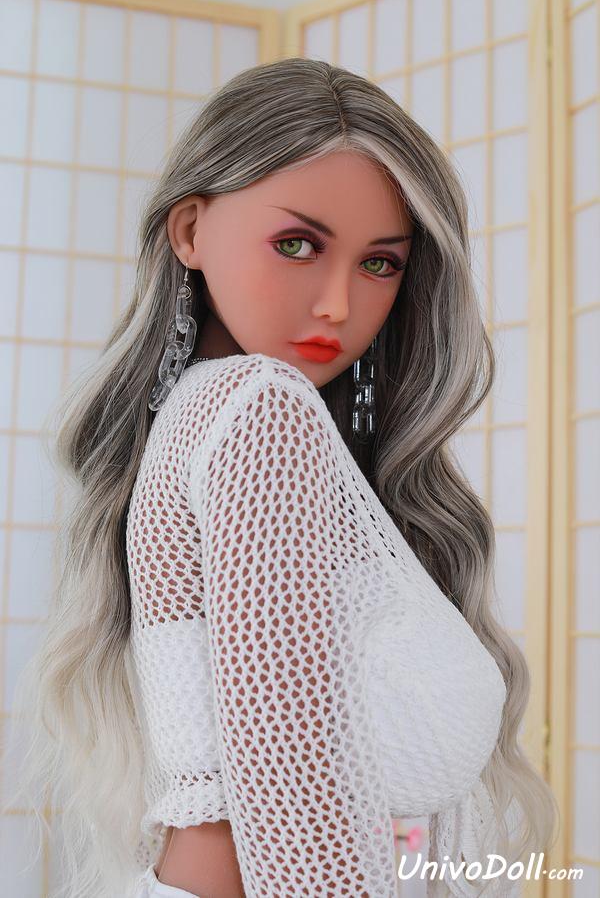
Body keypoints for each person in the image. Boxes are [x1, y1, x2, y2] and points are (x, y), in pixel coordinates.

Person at [4, 57, 559, 898]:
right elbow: (293, 790)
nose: (338, 303)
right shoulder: (261, 408)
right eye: (296, 245)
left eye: (381, 264)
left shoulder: (203, 416)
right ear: (190, 231)